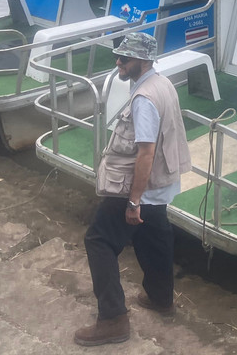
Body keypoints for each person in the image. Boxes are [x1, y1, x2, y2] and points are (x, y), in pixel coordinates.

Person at [75, 32, 193, 347]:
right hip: (162, 185)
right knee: (154, 235)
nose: (118, 62)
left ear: (142, 60)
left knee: (98, 240)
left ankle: (112, 320)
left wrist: (133, 202)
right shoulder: (163, 84)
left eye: (124, 58)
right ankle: (160, 298)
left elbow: (145, 153)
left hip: (139, 189)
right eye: (118, 56)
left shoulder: (144, 99)